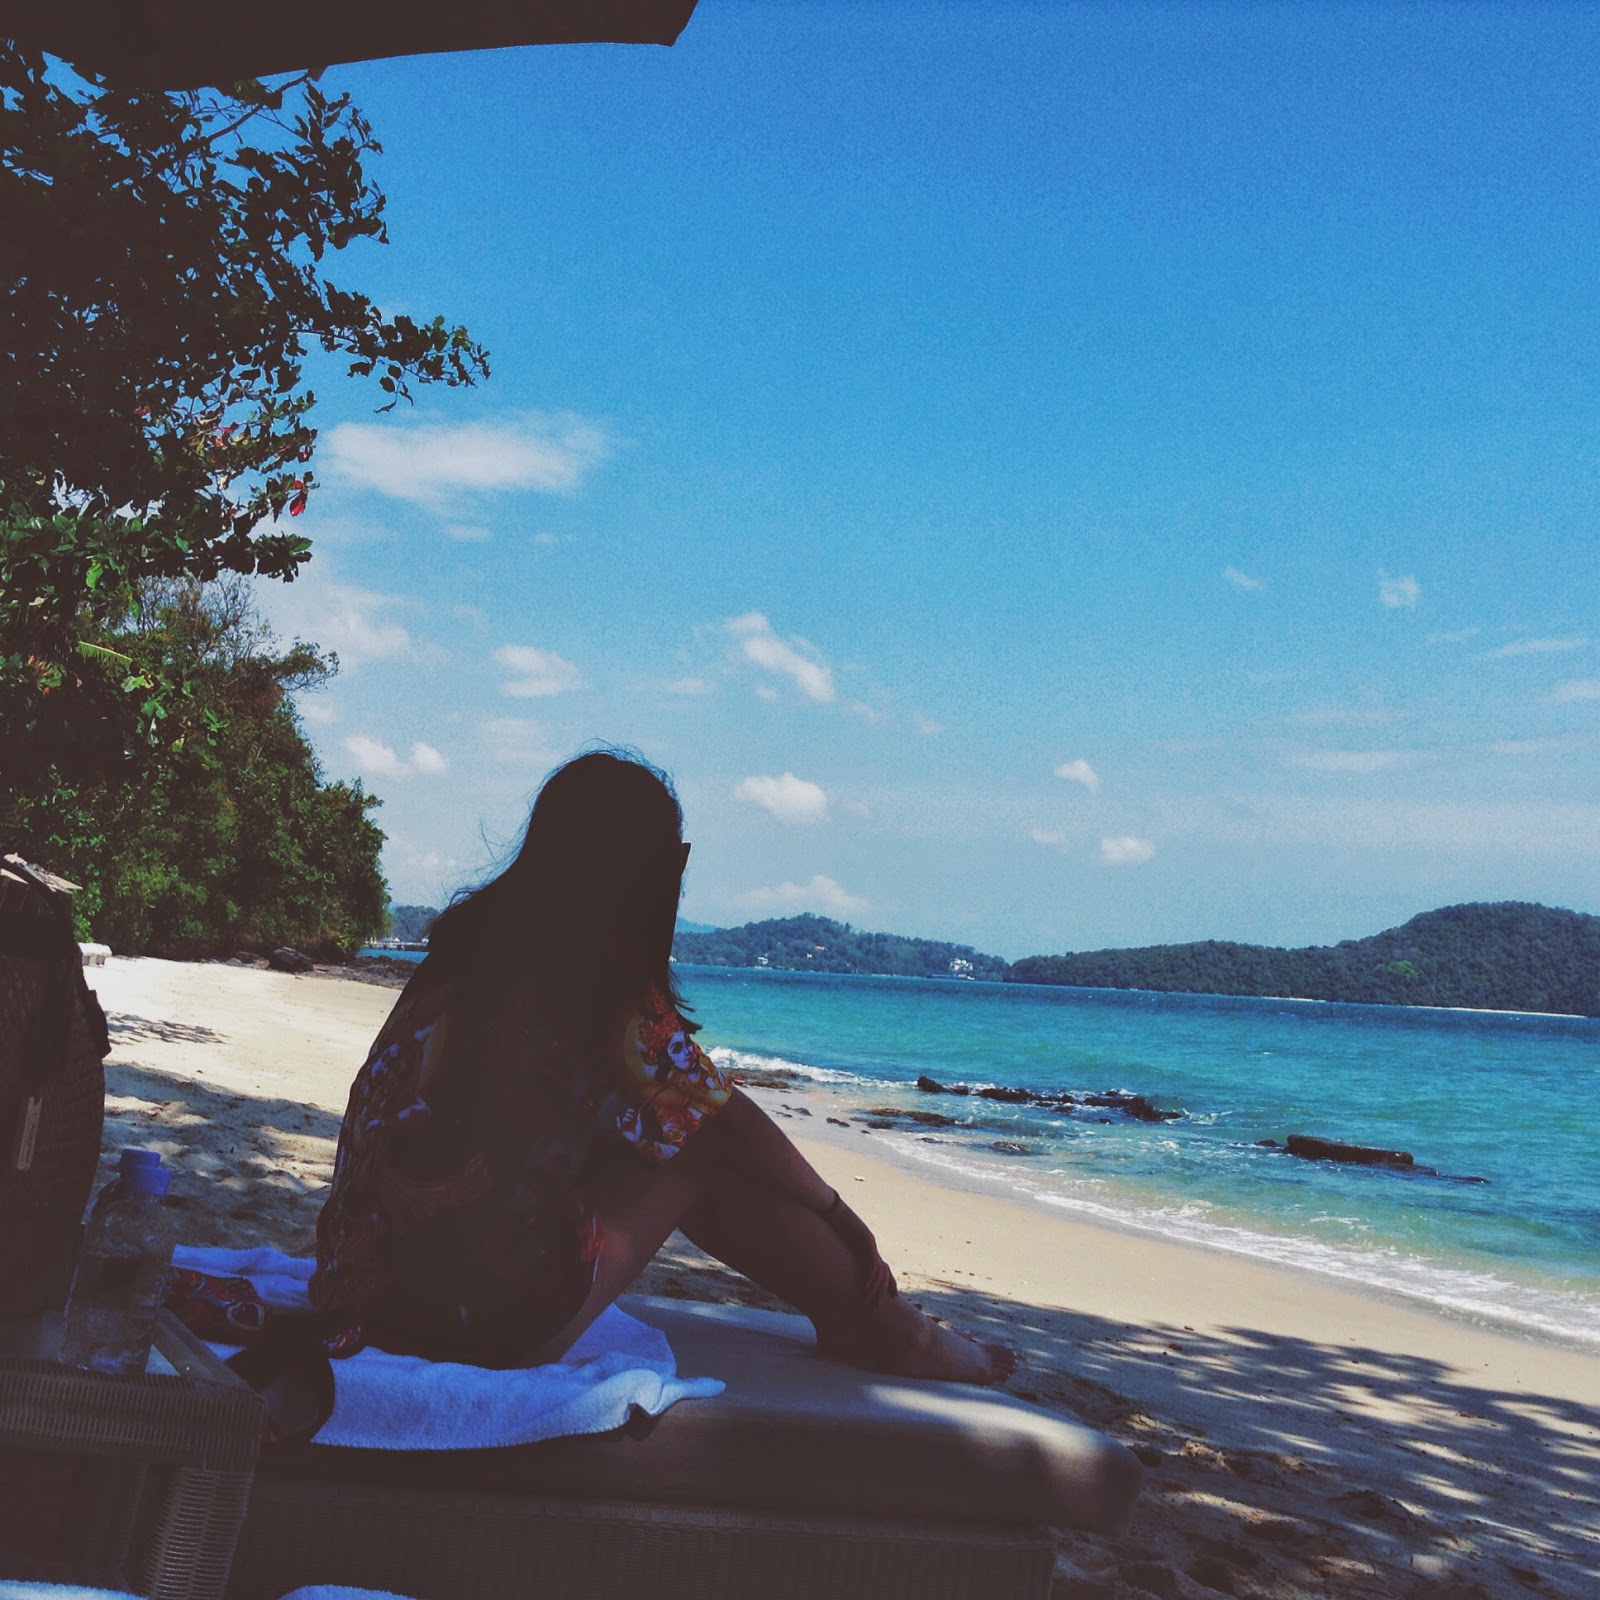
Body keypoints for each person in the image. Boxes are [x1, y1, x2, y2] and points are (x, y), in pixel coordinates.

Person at [310, 750, 1013, 1384]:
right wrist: (844, 1218)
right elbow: (724, 1122)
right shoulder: (590, 980)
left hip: (358, 1287)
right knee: (696, 1152)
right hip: (458, 1325)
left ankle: (865, 1320)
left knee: (668, 1136)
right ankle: (894, 1329)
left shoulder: (466, 955)